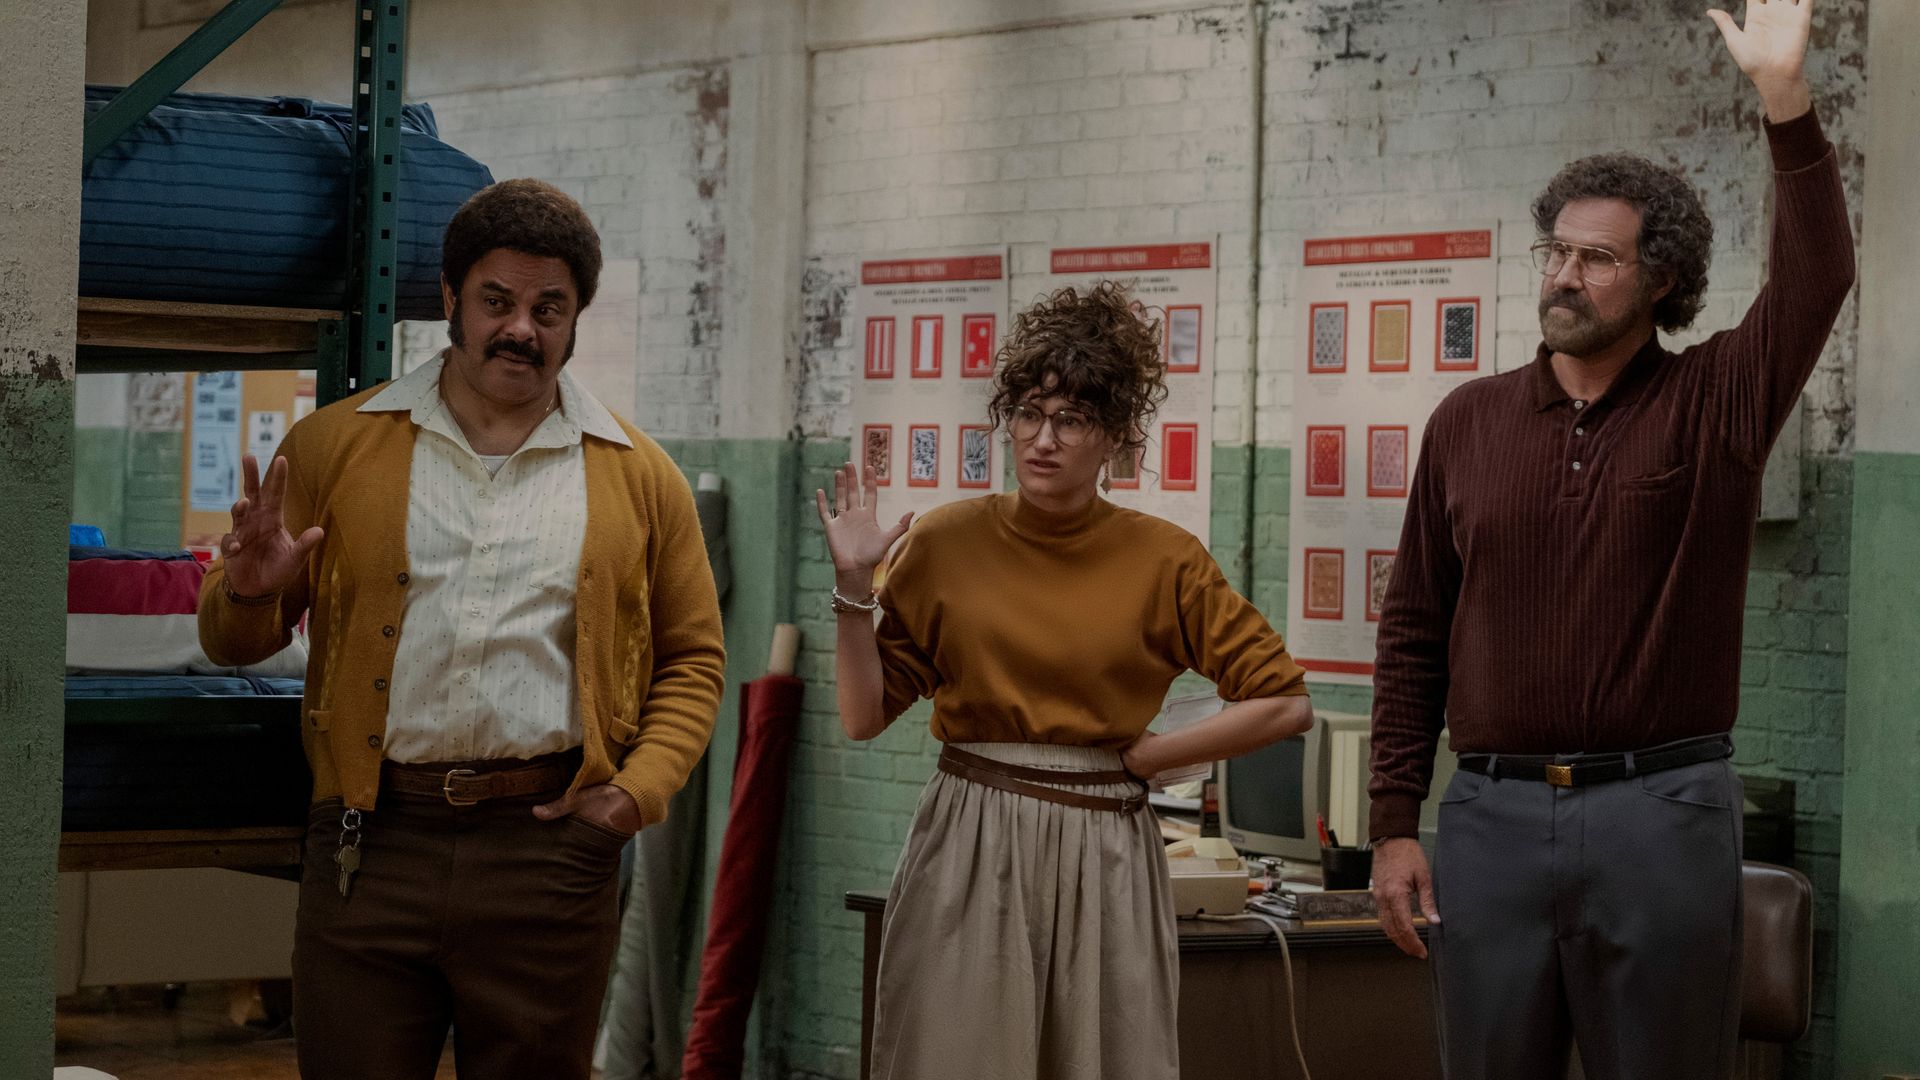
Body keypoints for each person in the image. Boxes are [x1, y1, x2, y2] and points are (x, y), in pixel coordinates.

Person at [1366, 3, 1854, 1078]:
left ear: (1660, 281)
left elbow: (1817, 279)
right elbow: (1412, 634)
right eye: (1556, 250)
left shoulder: (1716, 404)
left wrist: (1783, 101)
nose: (1565, 276)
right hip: (1489, 815)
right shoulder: (1467, 422)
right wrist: (1395, 821)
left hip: (1660, 814)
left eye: (1598, 259)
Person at [198, 178, 726, 1079]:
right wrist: (249, 594)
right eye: (496, 301)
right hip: (369, 845)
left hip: (550, 849)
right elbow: (231, 644)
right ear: (451, 298)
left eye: (548, 309)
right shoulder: (333, 447)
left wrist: (632, 797)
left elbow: (693, 660)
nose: (521, 328)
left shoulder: (641, 477)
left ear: (575, 318)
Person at [817, 282, 1314, 1080]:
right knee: (956, 1058)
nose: (1043, 439)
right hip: (973, 834)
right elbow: (862, 715)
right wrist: (852, 588)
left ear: (1114, 436)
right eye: (1028, 413)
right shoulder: (945, 542)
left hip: (1103, 839)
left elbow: (1285, 702)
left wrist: (1152, 758)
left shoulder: (1165, 560)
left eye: (1072, 419)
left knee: (1103, 1058)